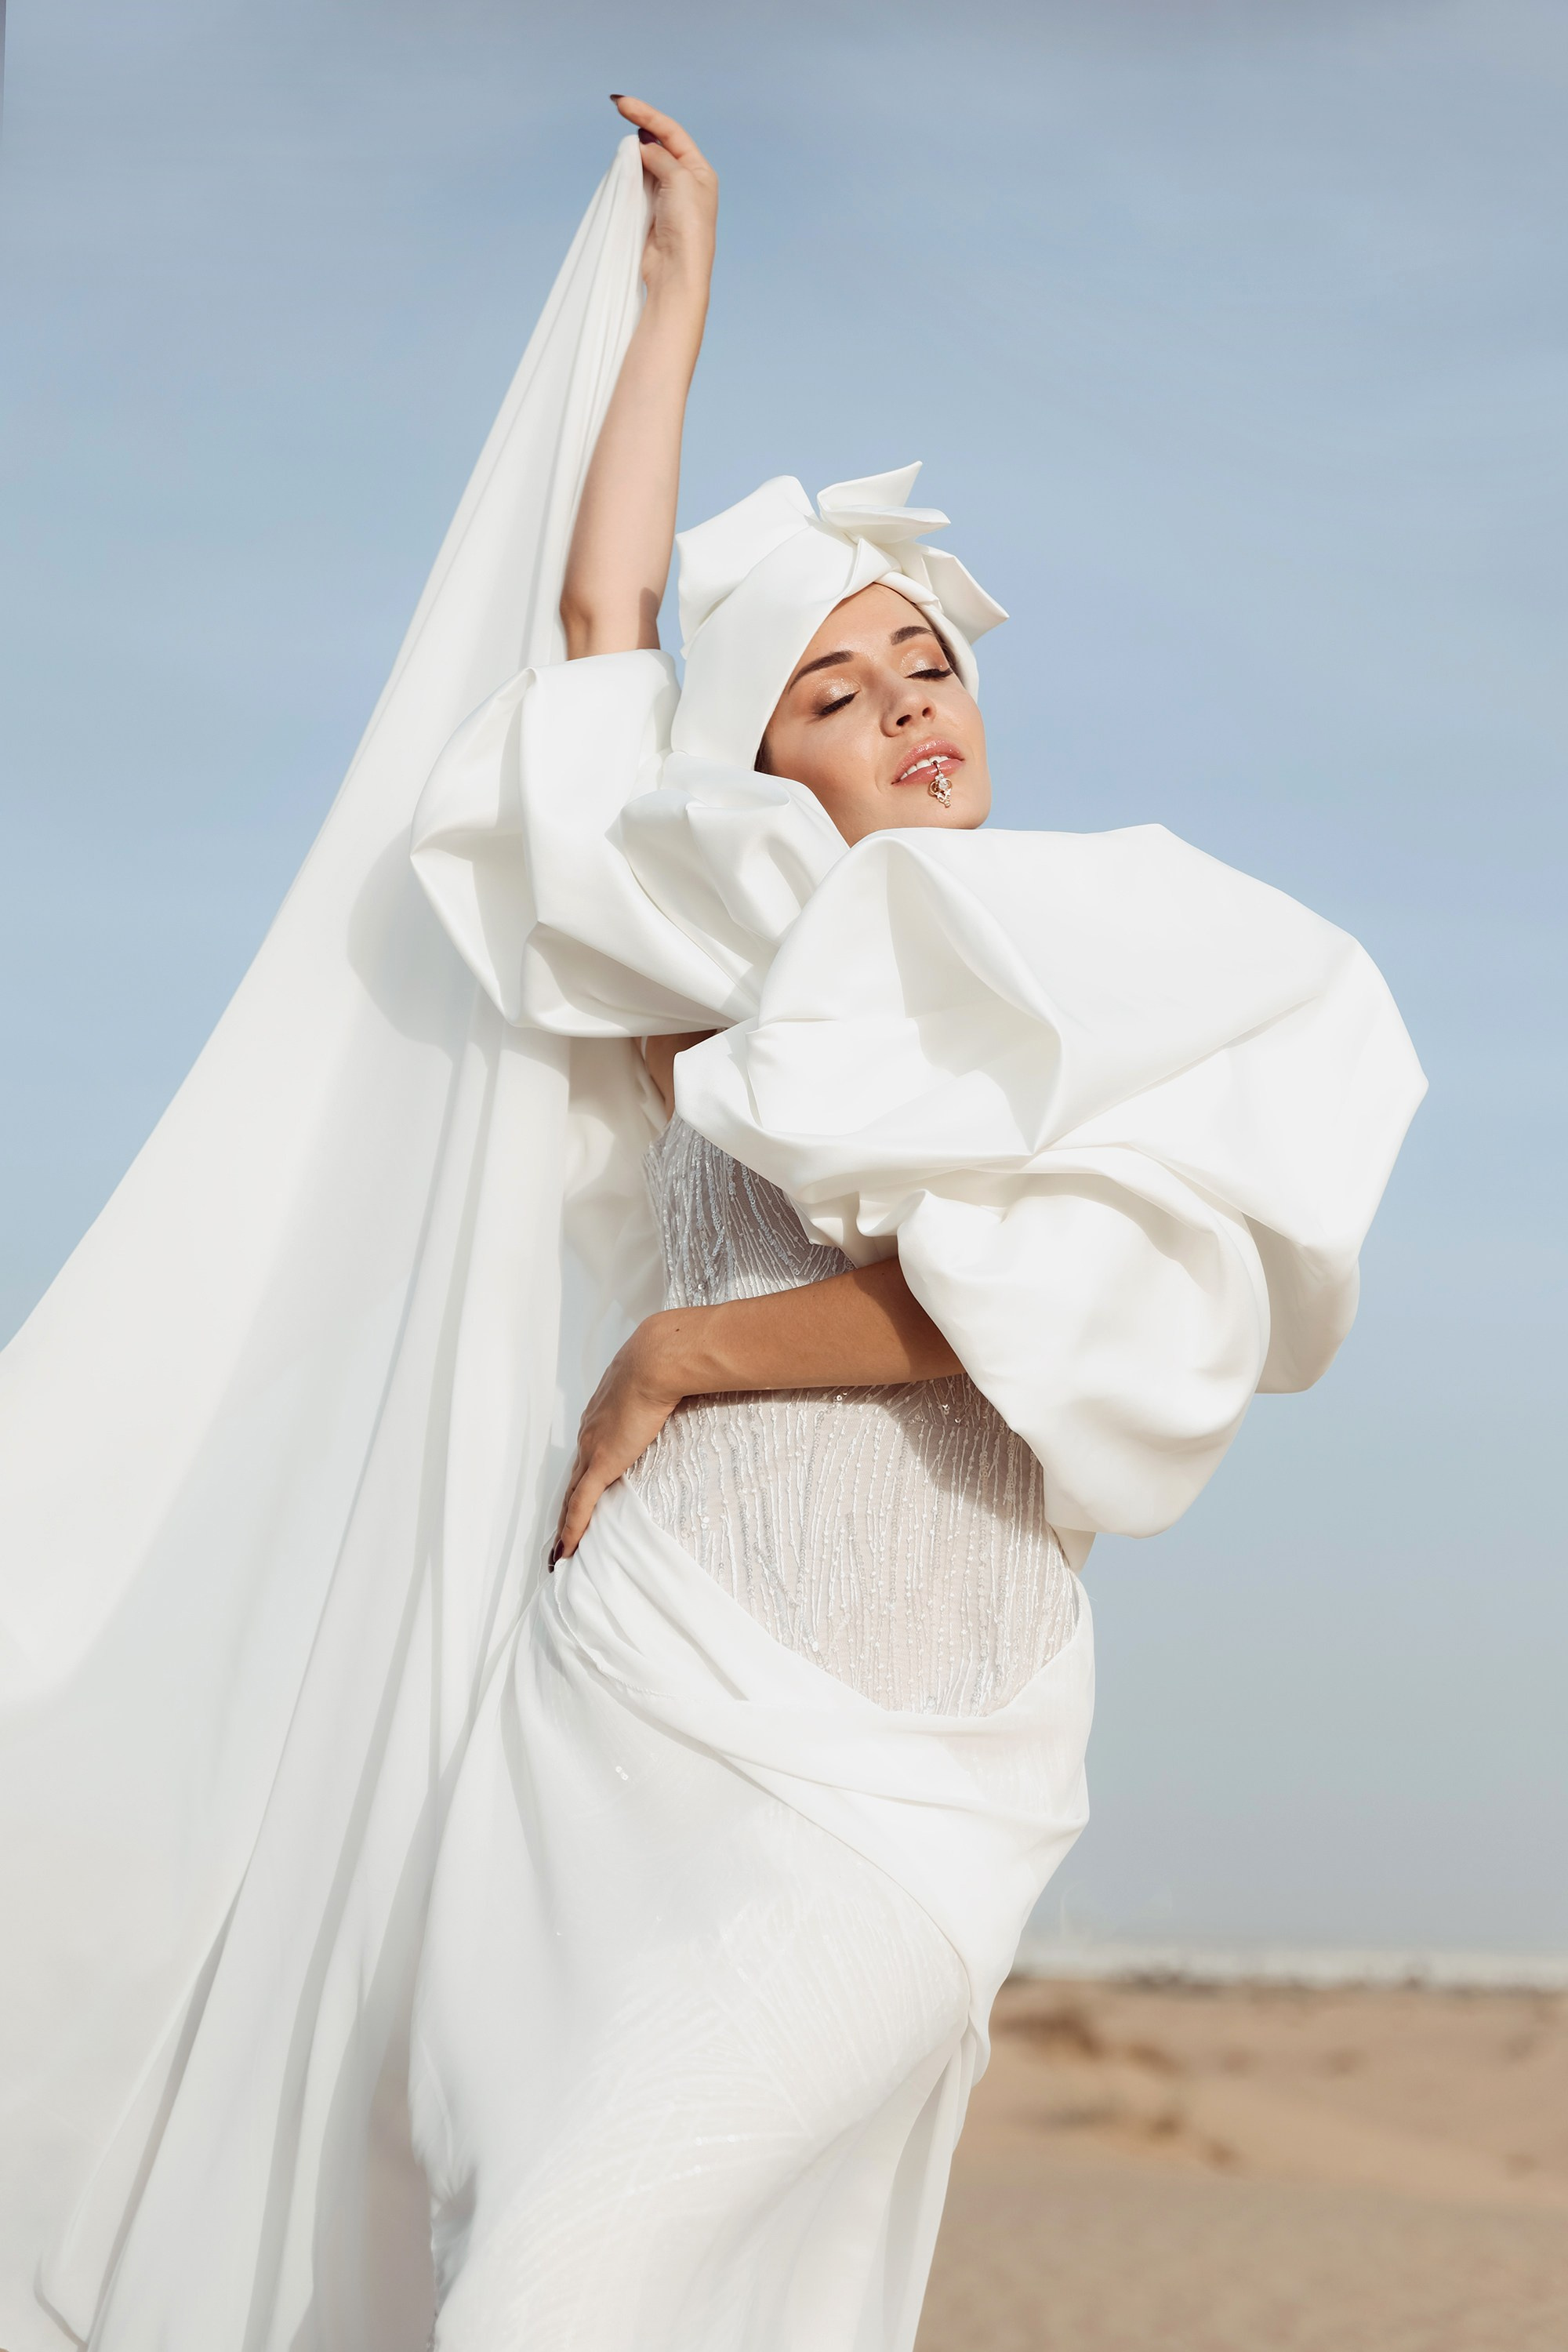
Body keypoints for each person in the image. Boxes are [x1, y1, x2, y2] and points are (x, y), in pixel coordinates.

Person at [0, 98, 1424, 2352]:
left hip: (935, 1766)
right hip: (651, 1695)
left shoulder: (1085, 969)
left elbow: (1023, 1317)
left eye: (925, 669)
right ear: (773, 776)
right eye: (837, 700)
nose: (909, 715)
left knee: (649, 2276)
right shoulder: (729, 959)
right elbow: (598, 628)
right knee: (557, 2261)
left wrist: (673, 1355)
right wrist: (676, 294)